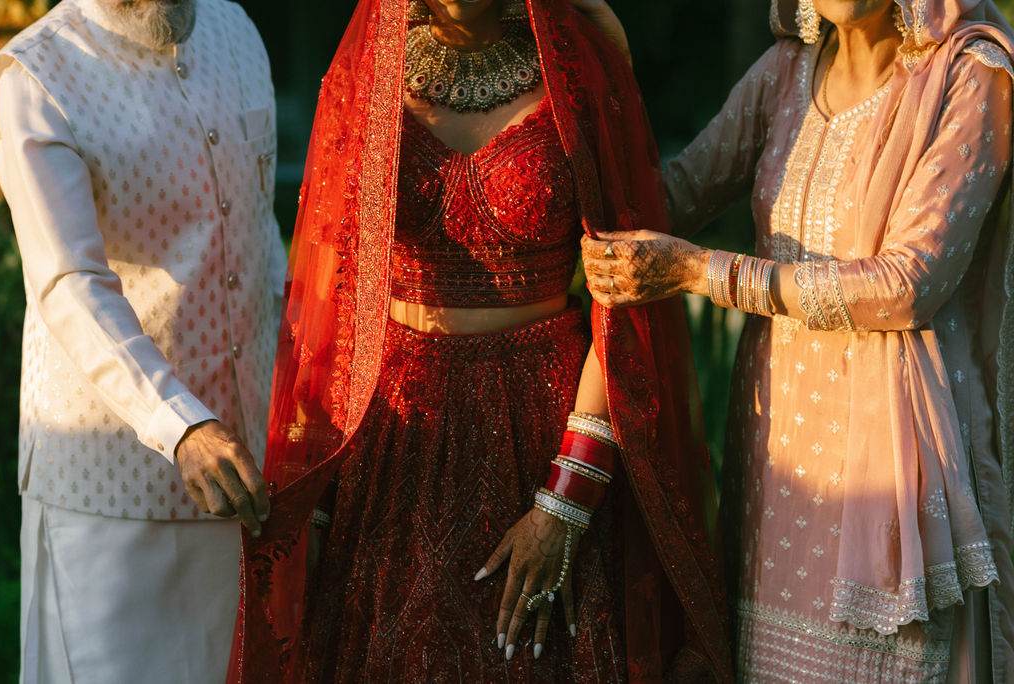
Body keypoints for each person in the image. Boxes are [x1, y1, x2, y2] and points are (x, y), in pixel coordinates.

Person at [227, 0, 732, 682]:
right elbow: (333, 292)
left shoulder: (579, 48)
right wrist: (316, 502)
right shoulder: (367, 65)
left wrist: (566, 499)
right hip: (399, 440)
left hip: (548, 425)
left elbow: (623, 292)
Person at [580, 0, 1014, 680]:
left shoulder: (972, 74)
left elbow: (909, 285)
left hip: (888, 473)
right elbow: (668, 196)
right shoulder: (784, 71)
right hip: (777, 466)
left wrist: (702, 271)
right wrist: (607, 67)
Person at [0, 0, 286, 681]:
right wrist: (181, 426)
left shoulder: (236, 31)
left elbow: (257, 223)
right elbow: (69, 283)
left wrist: (308, 371)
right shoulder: (38, 75)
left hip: (243, 474)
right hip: (109, 493)